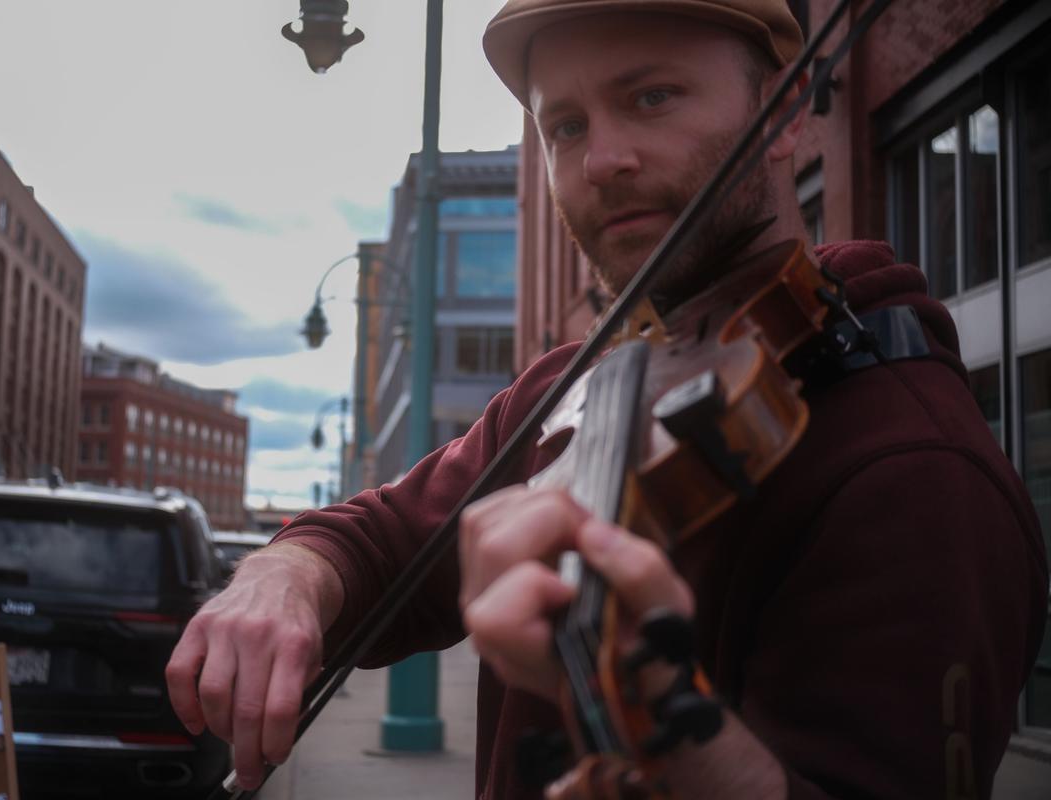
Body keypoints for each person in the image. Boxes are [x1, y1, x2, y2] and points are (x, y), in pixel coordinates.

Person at [166, 1, 1049, 797]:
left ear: (781, 114)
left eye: (652, 98)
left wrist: (648, 700)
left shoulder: (912, 471)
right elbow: (389, 537)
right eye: (564, 124)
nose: (601, 159)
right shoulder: (577, 383)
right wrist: (285, 577)